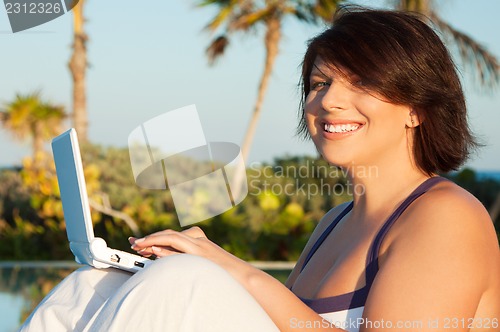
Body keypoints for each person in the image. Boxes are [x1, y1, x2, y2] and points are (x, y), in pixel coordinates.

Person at [21, 6, 500, 332]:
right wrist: (216, 266)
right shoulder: (335, 222)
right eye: (319, 83)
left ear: (417, 108)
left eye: (362, 83)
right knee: (93, 283)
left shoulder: (445, 217)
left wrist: (228, 271)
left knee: (182, 281)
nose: (329, 100)